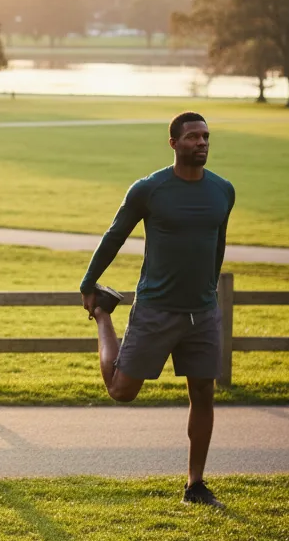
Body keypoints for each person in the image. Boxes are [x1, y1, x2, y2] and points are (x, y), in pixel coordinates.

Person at [80, 112, 235, 508]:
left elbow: (217, 246)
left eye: (206, 137)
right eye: (193, 137)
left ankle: (195, 484)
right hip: (156, 309)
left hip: (201, 313)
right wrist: (88, 284)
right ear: (174, 144)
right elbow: (115, 234)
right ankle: (104, 316)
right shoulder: (150, 189)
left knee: (203, 394)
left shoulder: (223, 191)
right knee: (120, 390)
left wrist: (207, 292)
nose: (201, 143)